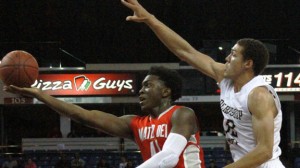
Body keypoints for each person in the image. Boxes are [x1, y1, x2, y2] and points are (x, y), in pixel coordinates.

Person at [121, 1, 285, 167]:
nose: (227, 58)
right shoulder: (225, 78)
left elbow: (265, 151)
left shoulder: (258, 95)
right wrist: (150, 19)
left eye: (234, 55)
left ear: (247, 64)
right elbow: (185, 52)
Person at [4, 66, 205, 168]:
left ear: (166, 91)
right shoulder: (136, 123)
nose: (141, 91)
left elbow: (169, 158)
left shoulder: (182, 114)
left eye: (147, 85)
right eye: (141, 86)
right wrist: (40, 95)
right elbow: (83, 115)